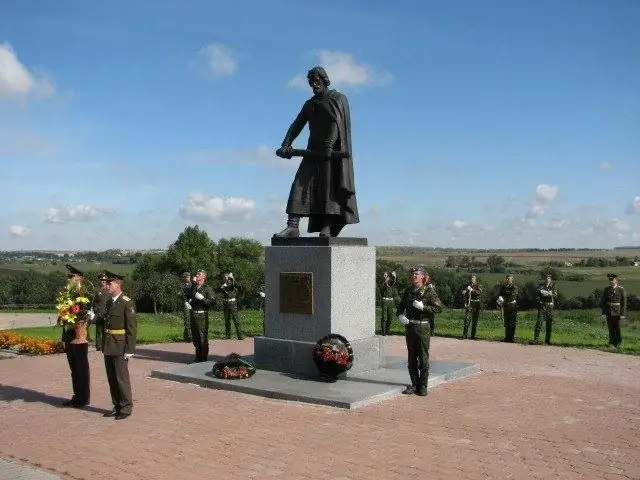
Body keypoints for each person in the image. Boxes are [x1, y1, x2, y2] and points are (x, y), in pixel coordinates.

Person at [274, 66, 359, 238]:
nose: (314, 85)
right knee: (299, 184)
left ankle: (327, 225)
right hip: (312, 152)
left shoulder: (338, 98)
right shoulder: (310, 104)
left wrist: (328, 146)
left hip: (331, 154)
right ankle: (293, 226)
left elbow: (337, 123)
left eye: (317, 81)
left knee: (329, 189)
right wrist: (286, 144)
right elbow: (297, 124)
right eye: (311, 82)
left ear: (324, 80)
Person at [396, 265, 444, 396]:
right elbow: (400, 306)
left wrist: (424, 307)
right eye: (412, 274)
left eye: (417, 274)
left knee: (423, 357)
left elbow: (439, 308)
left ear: (423, 276)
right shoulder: (408, 291)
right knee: (411, 357)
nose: (414, 276)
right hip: (410, 326)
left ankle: (422, 386)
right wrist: (400, 315)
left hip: (423, 327)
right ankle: (414, 384)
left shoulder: (429, 291)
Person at [101, 271, 137, 420]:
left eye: (109, 283)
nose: (107, 285)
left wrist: (130, 349)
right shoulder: (110, 301)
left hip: (121, 345)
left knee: (121, 378)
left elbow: (131, 328)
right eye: (107, 283)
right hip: (109, 344)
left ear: (118, 284)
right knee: (111, 377)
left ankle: (126, 407)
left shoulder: (127, 302)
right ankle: (116, 405)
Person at [60, 264, 93, 408]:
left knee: (81, 368)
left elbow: (89, 315)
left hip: (79, 334)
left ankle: (83, 398)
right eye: (69, 277)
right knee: (74, 368)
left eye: (72, 277)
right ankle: (76, 396)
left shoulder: (83, 294)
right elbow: (64, 317)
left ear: (80, 277)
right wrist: (63, 337)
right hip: (69, 333)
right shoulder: (68, 295)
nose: (70, 279)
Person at [186, 269, 215, 362]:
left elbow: (212, 302)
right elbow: (188, 297)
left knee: (202, 338)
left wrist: (203, 299)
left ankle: (204, 359)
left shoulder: (207, 288)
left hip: (202, 316)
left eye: (199, 274)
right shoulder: (194, 288)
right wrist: (188, 303)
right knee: (195, 337)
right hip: (193, 315)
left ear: (204, 277)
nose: (197, 275)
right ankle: (198, 358)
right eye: (197, 274)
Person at [599, 273, 627, 347]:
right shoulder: (606, 289)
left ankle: (618, 342)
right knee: (610, 328)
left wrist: (622, 314)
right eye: (610, 280)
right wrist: (603, 313)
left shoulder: (621, 289)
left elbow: (624, 302)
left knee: (617, 328)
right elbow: (603, 302)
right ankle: (611, 342)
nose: (611, 281)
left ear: (616, 280)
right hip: (608, 311)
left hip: (617, 311)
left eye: (612, 280)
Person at [217, 272, 244, 340]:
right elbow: (217, 290)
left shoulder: (233, 284)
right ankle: (228, 335)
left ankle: (240, 335)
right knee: (227, 320)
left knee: (236, 319)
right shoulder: (223, 284)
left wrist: (232, 278)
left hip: (232, 303)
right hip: (225, 303)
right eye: (225, 277)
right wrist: (222, 286)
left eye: (227, 277)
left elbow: (238, 286)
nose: (226, 278)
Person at [533, 273, 558, 345]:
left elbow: (555, 295)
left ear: (551, 279)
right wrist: (541, 291)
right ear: (544, 279)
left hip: (549, 307)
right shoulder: (541, 286)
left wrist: (549, 293)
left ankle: (547, 340)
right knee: (539, 322)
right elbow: (536, 291)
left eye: (549, 278)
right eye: (546, 278)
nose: (547, 279)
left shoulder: (553, 287)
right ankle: (536, 339)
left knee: (549, 324)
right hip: (542, 306)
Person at [91, 271, 110, 351]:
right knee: (99, 331)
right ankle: (98, 346)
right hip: (99, 313)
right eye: (102, 280)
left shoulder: (109, 290)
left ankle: (105, 344)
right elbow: (93, 302)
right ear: (100, 281)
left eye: (105, 280)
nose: (103, 281)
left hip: (107, 314)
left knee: (106, 330)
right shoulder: (96, 290)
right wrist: (95, 311)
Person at [497, 274, 519, 343]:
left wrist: (504, 298)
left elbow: (512, 296)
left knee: (512, 322)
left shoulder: (514, 287)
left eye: (509, 279)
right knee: (506, 322)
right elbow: (500, 294)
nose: (507, 280)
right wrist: (500, 298)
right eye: (507, 278)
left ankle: (511, 338)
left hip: (512, 306)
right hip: (506, 306)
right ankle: (507, 337)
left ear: (512, 279)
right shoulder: (503, 287)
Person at [462, 274, 482, 339]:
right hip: (469, 304)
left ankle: (473, 335)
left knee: (474, 321)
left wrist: (472, 290)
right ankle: (465, 335)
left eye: (473, 278)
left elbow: (480, 292)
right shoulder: (468, 285)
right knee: (467, 319)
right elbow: (465, 294)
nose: (472, 279)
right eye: (471, 278)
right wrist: (464, 292)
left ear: (475, 279)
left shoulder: (478, 285)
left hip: (476, 304)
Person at [378, 271, 398, 336]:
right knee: (384, 316)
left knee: (390, 316)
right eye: (384, 275)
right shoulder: (381, 283)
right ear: (382, 276)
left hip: (390, 301)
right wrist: (388, 279)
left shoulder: (389, 282)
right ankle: (383, 331)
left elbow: (392, 282)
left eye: (386, 275)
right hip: (385, 300)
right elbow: (384, 286)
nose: (385, 276)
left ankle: (387, 330)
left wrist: (394, 276)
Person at [181, 272, 192, 342]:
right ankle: (187, 336)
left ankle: (194, 336)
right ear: (184, 278)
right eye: (186, 277)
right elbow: (182, 294)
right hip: (186, 304)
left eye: (188, 276)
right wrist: (186, 301)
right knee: (187, 320)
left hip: (193, 303)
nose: (188, 278)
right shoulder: (181, 285)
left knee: (194, 320)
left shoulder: (193, 284)